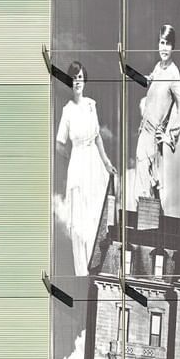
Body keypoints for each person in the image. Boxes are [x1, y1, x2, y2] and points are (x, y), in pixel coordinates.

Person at [55, 62, 116, 275]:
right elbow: (59, 144)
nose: (78, 81)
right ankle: (81, 270)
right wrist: (73, 158)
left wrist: (107, 162)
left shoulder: (91, 104)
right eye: (74, 78)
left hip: (95, 164)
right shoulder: (68, 111)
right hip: (79, 164)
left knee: (95, 213)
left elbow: (98, 136)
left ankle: (95, 262)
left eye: (80, 77)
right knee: (79, 219)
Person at [134, 24, 180, 204]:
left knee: (151, 186)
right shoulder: (158, 67)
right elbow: (152, 82)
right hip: (144, 131)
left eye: (168, 44)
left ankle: (151, 228)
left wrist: (170, 135)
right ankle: (147, 227)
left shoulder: (174, 73)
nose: (164, 48)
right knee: (145, 186)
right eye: (162, 42)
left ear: (173, 47)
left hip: (155, 137)